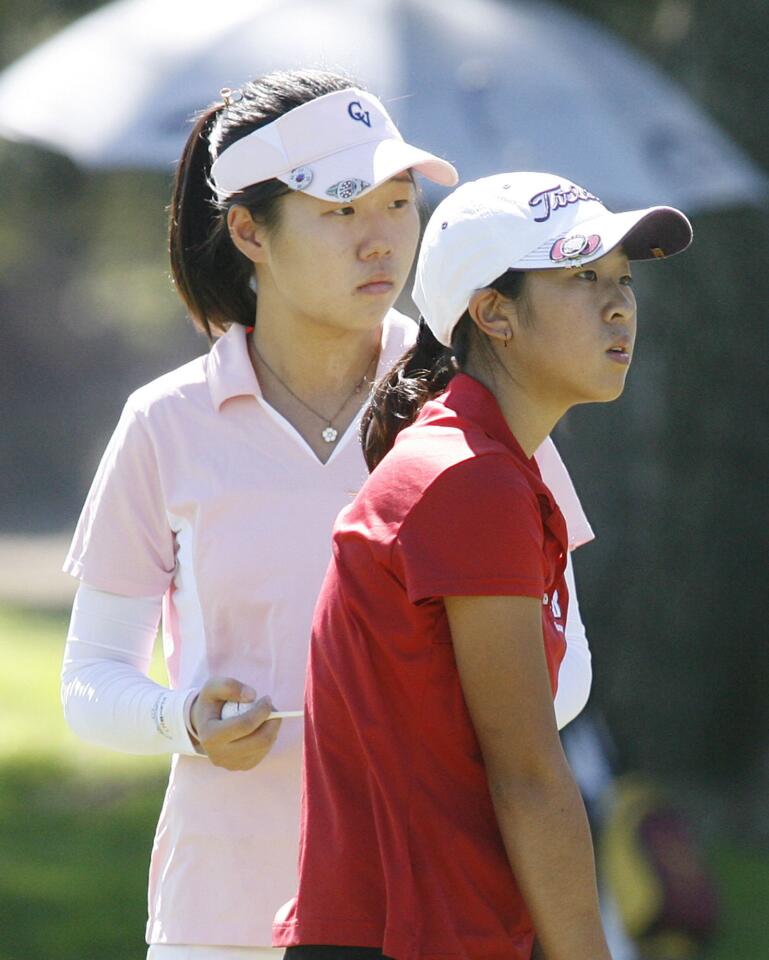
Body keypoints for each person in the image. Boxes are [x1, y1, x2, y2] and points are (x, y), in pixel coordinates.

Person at [60, 69, 594, 960]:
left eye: (395, 202)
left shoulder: (481, 404)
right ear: (246, 231)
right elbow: (89, 680)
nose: (381, 239)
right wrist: (183, 720)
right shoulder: (164, 423)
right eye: (341, 211)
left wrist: (424, 726)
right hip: (218, 919)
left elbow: (565, 661)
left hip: (425, 913)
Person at [274, 172, 693, 960]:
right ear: (492, 313)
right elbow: (528, 777)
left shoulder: (484, 466)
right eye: (579, 276)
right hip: (411, 938)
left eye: (622, 280)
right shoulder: (469, 478)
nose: (617, 306)